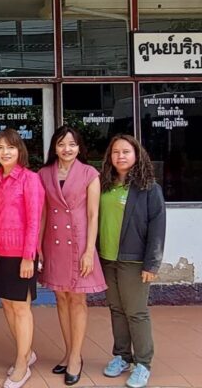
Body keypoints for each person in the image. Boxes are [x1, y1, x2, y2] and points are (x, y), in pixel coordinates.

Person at [38, 126, 106, 386]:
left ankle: (76, 357)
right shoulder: (44, 173)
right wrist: (38, 245)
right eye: (61, 144)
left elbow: (93, 215)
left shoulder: (90, 173)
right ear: (54, 147)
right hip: (54, 242)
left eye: (72, 144)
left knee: (77, 299)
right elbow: (43, 212)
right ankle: (68, 352)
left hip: (79, 242)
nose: (67, 149)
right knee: (61, 298)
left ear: (79, 147)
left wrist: (89, 251)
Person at [99, 134, 166, 388]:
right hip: (107, 258)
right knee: (116, 309)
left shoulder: (149, 188)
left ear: (137, 155)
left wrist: (152, 263)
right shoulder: (104, 185)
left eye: (126, 151)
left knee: (136, 312)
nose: (120, 156)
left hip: (134, 261)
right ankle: (122, 356)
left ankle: (143, 363)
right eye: (116, 152)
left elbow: (157, 228)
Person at [0, 128, 44, 388]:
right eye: (0, 147)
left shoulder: (30, 179)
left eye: (10, 147)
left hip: (21, 254)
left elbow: (34, 220)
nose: (5, 152)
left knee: (21, 308)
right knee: (7, 305)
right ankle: (26, 352)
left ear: (19, 150)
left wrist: (29, 256)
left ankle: (22, 364)